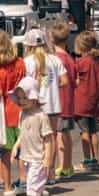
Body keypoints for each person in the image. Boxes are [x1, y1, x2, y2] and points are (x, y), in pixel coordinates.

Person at [22, 28, 67, 186]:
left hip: (35, 106)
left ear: (28, 46)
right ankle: (50, 173)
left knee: (34, 141)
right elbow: (64, 81)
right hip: (53, 105)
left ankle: (35, 172)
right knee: (51, 139)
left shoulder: (27, 62)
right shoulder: (55, 60)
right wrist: (52, 86)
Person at [0, 29, 25, 196]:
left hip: (6, 116)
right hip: (22, 111)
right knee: (24, 150)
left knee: (6, 152)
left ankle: (7, 186)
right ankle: (25, 181)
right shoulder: (20, 63)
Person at [12, 75, 53, 196]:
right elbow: (22, 133)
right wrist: (16, 146)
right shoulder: (23, 114)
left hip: (38, 158)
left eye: (25, 97)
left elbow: (49, 139)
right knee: (32, 188)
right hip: (27, 157)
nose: (22, 101)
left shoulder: (41, 116)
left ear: (34, 97)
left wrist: (48, 159)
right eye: (19, 98)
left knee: (35, 188)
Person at [71, 31, 99, 171]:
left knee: (84, 131)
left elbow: (74, 79)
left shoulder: (81, 62)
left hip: (81, 100)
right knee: (93, 131)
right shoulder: (97, 62)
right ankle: (95, 159)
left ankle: (87, 160)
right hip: (94, 100)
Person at [49, 22, 76, 179]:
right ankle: (68, 165)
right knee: (64, 134)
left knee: (58, 136)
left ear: (52, 39)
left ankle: (62, 166)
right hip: (68, 100)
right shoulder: (69, 58)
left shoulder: (56, 59)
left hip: (59, 102)